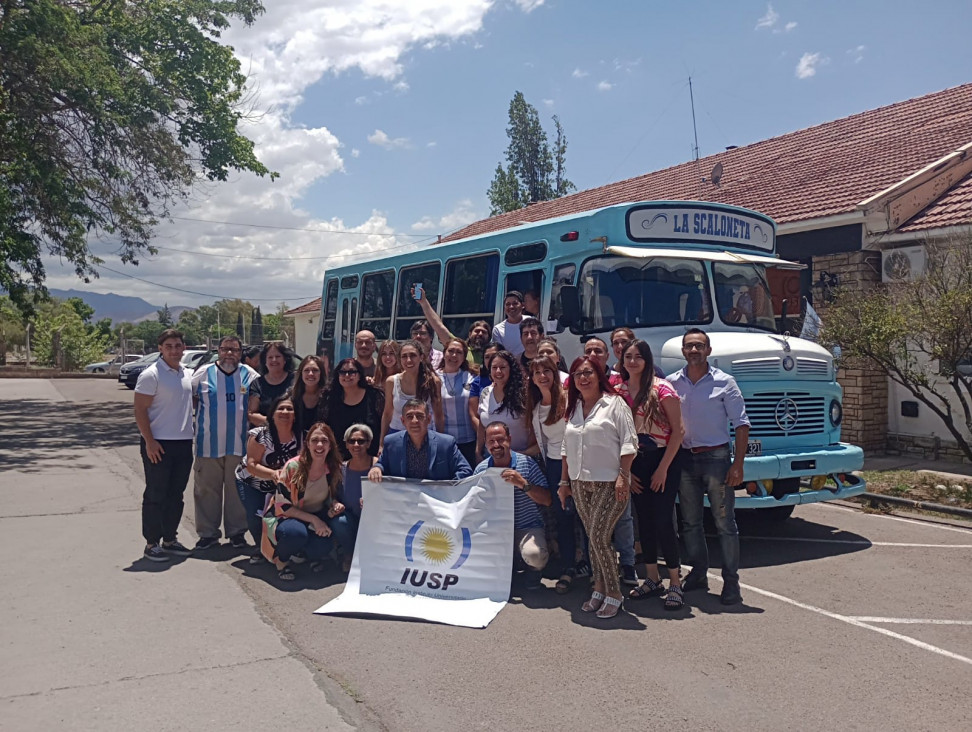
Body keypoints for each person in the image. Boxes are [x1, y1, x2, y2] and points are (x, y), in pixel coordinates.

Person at [669, 328, 750, 605]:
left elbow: (741, 424)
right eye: (689, 346)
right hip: (685, 459)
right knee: (690, 523)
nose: (694, 350)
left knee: (724, 523)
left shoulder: (725, 382)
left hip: (716, 458)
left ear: (708, 350)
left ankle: (731, 583)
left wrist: (737, 464)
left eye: (699, 346)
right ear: (683, 351)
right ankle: (699, 573)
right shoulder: (671, 383)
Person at [558, 356, 637, 619]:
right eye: (578, 373)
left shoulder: (615, 404)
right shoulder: (574, 407)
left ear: (599, 374)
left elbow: (629, 443)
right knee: (593, 537)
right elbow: (565, 448)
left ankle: (614, 592)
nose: (584, 378)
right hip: (580, 481)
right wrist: (564, 482)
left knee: (601, 537)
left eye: (589, 372)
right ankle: (599, 588)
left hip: (609, 481)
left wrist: (623, 476)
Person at [617, 340, 687, 610]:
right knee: (642, 521)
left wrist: (662, 469)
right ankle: (652, 578)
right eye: (628, 357)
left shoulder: (662, 389)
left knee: (663, 521)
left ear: (647, 360)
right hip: (636, 461)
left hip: (663, 459)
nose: (632, 361)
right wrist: (626, 471)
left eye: (638, 357)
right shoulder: (619, 391)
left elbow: (678, 431)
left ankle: (675, 583)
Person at [191, 335, 259, 551]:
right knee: (206, 490)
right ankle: (208, 534)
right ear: (218, 351)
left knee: (236, 492)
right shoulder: (203, 373)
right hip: (208, 444)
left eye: (235, 350)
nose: (230, 353)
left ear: (241, 353)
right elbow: (191, 398)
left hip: (240, 445)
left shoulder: (250, 375)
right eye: (225, 349)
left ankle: (237, 533)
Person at [263, 422, 356, 580]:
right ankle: (282, 562)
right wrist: (315, 520)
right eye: (314, 440)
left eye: (324, 441)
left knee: (325, 543)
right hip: (287, 517)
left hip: (317, 515)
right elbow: (283, 506)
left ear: (331, 445)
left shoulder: (333, 467)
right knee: (295, 533)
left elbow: (331, 496)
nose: (319, 445)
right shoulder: (293, 467)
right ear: (307, 444)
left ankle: (309, 555)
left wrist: (335, 505)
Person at [133, 329, 195, 561]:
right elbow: (140, 410)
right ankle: (152, 543)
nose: (174, 350)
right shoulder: (152, 375)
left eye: (177, 345)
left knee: (175, 494)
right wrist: (149, 441)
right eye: (168, 346)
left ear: (183, 347)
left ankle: (169, 538)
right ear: (160, 348)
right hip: (158, 444)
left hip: (183, 442)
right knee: (155, 494)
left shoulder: (186, 373)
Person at [584, 335, 638, 586]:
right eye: (589, 351)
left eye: (599, 351)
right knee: (592, 520)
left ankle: (627, 565)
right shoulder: (579, 384)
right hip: (587, 466)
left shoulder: (619, 385)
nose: (594, 355)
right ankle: (598, 569)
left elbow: (628, 431)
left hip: (617, 463)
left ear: (608, 356)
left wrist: (625, 471)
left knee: (623, 518)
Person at [527, 355, 581, 594]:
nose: (542, 376)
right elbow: (542, 444)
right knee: (562, 518)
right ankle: (569, 568)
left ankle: (594, 570)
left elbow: (576, 436)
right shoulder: (537, 408)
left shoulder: (570, 400)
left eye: (547, 371)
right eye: (537, 372)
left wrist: (565, 477)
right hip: (553, 466)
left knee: (585, 518)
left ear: (555, 373)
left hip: (576, 464)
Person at [473, 422, 551, 590]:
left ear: (509, 439)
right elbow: (474, 506)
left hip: (526, 527)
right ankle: (510, 571)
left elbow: (547, 500)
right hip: (496, 529)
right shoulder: (481, 470)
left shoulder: (527, 464)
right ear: (485, 444)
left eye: (500, 440)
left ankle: (533, 572)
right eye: (491, 441)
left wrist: (524, 484)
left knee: (534, 555)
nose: (496, 445)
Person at [235, 395, 299, 562]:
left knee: (280, 516)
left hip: (282, 485)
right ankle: (261, 548)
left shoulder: (301, 437)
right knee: (256, 515)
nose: (285, 412)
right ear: (272, 413)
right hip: (252, 481)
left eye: (290, 409)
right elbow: (251, 464)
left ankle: (280, 548)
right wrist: (272, 474)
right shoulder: (259, 434)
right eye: (280, 408)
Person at [369, 400, 472, 482]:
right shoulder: (391, 442)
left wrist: (446, 488)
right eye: (409, 417)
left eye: (419, 416)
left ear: (428, 419)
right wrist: (376, 468)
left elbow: (465, 470)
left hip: (436, 501)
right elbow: (382, 464)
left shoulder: (446, 443)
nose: (415, 421)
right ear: (403, 421)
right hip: (403, 502)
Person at [379, 340, 444, 447]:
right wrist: (381, 443)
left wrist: (441, 441)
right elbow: (387, 413)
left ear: (421, 357)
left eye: (413, 355)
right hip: (396, 435)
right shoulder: (391, 381)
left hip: (424, 436)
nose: (408, 360)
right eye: (404, 356)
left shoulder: (433, 382)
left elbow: (438, 415)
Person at [320, 358, 385, 460]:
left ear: (359, 375)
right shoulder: (329, 397)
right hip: (338, 461)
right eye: (342, 372)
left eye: (352, 372)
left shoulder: (374, 395)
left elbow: (384, 424)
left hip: (371, 459)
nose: (347, 376)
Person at [476, 349, 534, 461]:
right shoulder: (485, 392)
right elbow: (482, 425)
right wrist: (478, 451)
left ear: (511, 369)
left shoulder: (524, 394)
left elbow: (533, 429)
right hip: (491, 459)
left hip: (521, 458)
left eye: (502, 367)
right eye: (494, 368)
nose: (498, 371)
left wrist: (525, 454)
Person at [413, 285, 491, 367]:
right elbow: (438, 326)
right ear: (469, 334)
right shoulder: (460, 348)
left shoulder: (492, 354)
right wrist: (424, 302)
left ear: (489, 337)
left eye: (484, 332)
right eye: (477, 331)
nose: (480, 334)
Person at [437, 337, 479, 467]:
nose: (454, 355)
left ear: (464, 357)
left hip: (469, 440)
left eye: (459, 352)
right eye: (451, 351)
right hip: (444, 441)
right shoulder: (433, 378)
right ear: (444, 353)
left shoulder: (472, 377)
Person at [248, 342, 296, 427]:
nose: (274, 360)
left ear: (285, 360)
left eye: (278, 357)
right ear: (265, 361)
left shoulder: (295, 380)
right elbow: (251, 414)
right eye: (270, 357)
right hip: (265, 432)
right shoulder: (257, 383)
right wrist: (275, 424)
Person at [340, 424, 377, 527]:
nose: (356, 445)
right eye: (351, 441)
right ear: (347, 445)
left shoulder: (379, 466)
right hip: (349, 519)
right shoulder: (341, 469)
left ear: (368, 444)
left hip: (375, 518)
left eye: (361, 441)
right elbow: (333, 496)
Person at [291, 355, 326, 444]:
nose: (310, 374)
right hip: (296, 446)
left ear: (321, 373)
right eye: (306, 370)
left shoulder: (329, 396)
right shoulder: (291, 397)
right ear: (301, 373)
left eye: (315, 370)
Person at [491, 291, 527, 357]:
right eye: (507, 304)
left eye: (515, 303)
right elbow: (500, 354)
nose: (511, 307)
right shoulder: (498, 329)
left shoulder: (531, 321)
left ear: (523, 305)